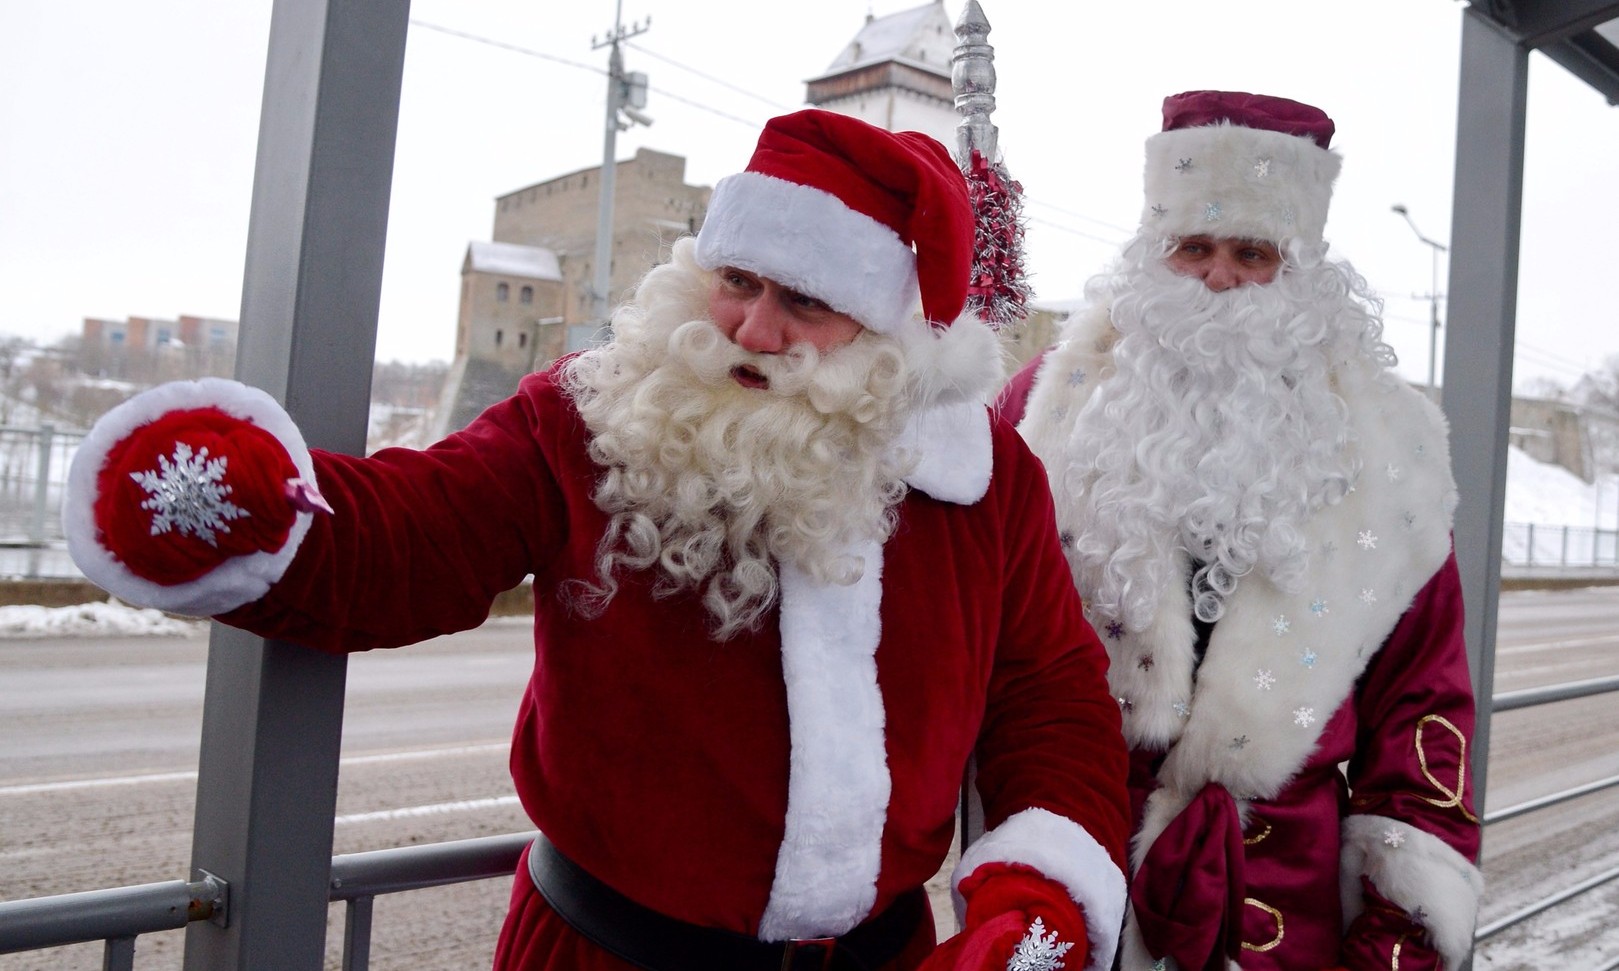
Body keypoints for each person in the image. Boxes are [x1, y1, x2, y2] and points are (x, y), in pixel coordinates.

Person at [65, 109, 1130, 971]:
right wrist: (239, 501)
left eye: (803, 300)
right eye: (737, 282)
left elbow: (1048, 696)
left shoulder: (982, 485)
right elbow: (410, 536)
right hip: (602, 953)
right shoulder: (586, 419)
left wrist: (1038, 891)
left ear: (892, 332)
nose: (750, 331)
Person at [998, 91, 1482, 971]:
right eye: (1192, 248)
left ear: (1298, 272)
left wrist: (1395, 946)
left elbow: (1422, 713)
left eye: (1251, 253)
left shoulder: (1394, 456)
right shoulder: (1041, 414)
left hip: (1287, 926)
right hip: (1071, 898)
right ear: (1153, 255)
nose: (1216, 279)